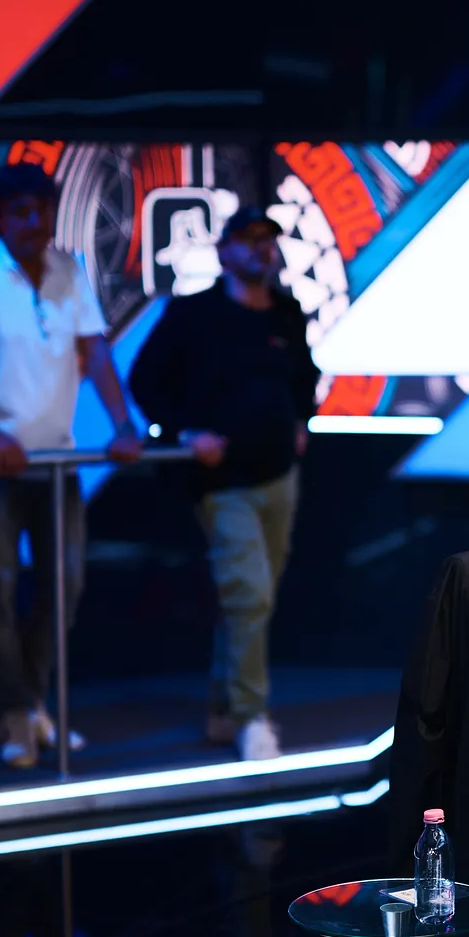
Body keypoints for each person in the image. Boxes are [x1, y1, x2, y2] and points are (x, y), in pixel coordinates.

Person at [0, 162, 143, 769]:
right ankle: (15, 713)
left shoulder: (68, 269)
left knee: (65, 587)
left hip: (56, 463)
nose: (34, 221)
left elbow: (95, 350)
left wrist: (123, 423)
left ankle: (33, 701)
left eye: (42, 209)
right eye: (20, 211)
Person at [129, 206, 321, 762]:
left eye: (268, 239)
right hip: (221, 480)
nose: (261, 248)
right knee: (249, 594)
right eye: (249, 239)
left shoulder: (286, 312)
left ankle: (222, 708)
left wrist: (300, 421)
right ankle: (251, 715)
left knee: (254, 600)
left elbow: (304, 376)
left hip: (279, 475)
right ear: (224, 250)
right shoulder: (194, 314)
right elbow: (145, 380)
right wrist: (185, 432)